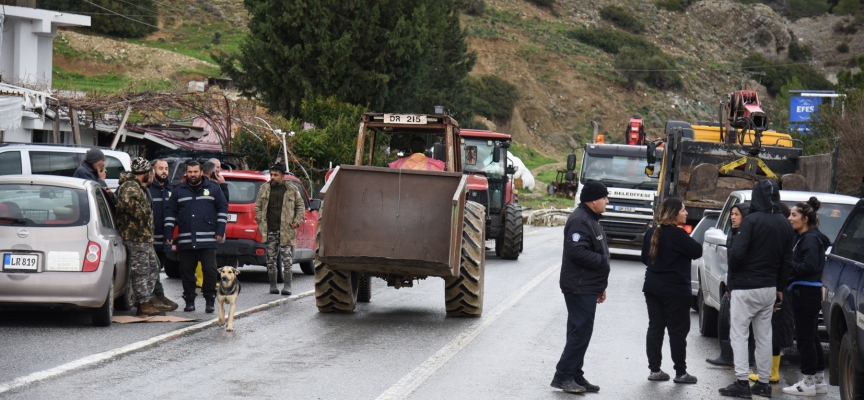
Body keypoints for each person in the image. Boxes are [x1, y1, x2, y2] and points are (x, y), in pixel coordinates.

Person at [719, 180, 794, 399]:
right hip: (769, 287)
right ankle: (763, 383)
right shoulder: (785, 223)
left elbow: (737, 253)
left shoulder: (751, 220)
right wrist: (780, 288)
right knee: (764, 336)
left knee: (739, 334)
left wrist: (735, 273)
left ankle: (742, 382)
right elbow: (786, 260)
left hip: (746, 286)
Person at [551, 180, 610, 394]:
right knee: (580, 332)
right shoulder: (580, 221)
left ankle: (575, 374)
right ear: (593, 201)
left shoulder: (590, 219)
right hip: (579, 286)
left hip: (587, 285)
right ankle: (563, 376)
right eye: (604, 197)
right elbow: (576, 252)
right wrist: (602, 261)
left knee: (580, 332)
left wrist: (599, 286)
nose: (607, 201)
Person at [641, 197, 702, 384]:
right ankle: (681, 372)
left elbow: (644, 259)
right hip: (675, 290)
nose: (686, 213)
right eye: (683, 210)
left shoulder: (652, 232)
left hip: (652, 287)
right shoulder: (678, 235)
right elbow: (697, 251)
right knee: (677, 332)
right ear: (674, 214)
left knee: (655, 328)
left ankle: (654, 370)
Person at [164, 161, 229, 313]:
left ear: (201, 172)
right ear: (186, 173)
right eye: (190, 172)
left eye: (195, 172)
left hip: (208, 239)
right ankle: (189, 301)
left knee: (210, 271)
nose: (192, 175)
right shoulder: (179, 190)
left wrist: (220, 230)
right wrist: (168, 232)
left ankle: (209, 301)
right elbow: (170, 212)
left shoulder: (213, 188)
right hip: (186, 239)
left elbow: (222, 208)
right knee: (187, 272)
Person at [782, 197, 830, 396]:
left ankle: (807, 383)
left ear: (805, 219)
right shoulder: (803, 237)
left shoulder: (809, 238)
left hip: (806, 291)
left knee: (804, 339)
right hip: (806, 291)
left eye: (794, 215)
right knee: (811, 337)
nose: (790, 218)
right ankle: (818, 381)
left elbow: (809, 266)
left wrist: (788, 267)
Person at [116, 158, 164, 317]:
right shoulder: (130, 187)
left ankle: (145, 299)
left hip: (144, 237)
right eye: (150, 172)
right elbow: (130, 207)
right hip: (135, 236)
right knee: (141, 271)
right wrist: (145, 217)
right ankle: (143, 304)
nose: (152, 176)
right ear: (146, 173)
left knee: (153, 268)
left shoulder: (138, 187)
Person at [707, 202, 750, 367]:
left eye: (737, 214)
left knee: (740, 324)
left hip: (744, 285)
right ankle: (728, 355)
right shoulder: (732, 234)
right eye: (731, 214)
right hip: (734, 283)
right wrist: (729, 287)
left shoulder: (745, 236)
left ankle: (738, 359)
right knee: (733, 321)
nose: (733, 217)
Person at [254, 163, 305, 295]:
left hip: (286, 230)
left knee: (287, 258)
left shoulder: (291, 189)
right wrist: (260, 220)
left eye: (275, 175)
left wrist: (297, 220)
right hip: (270, 230)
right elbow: (258, 206)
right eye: (271, 175)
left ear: (282, 176)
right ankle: (273, 285)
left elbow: (300, 206)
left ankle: (287, 286)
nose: (272, 177)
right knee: (270, 258)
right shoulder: (264, 188)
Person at [147, 159, 178, 312]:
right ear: (154, 171)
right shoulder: (148, 189)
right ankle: (154, 297)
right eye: (161, 168)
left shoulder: (172, 189)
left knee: (157, 268)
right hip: (150, 238)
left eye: (166, 168)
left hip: (165, 238)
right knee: (150, 268)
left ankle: (157, 296)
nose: (164, 171)